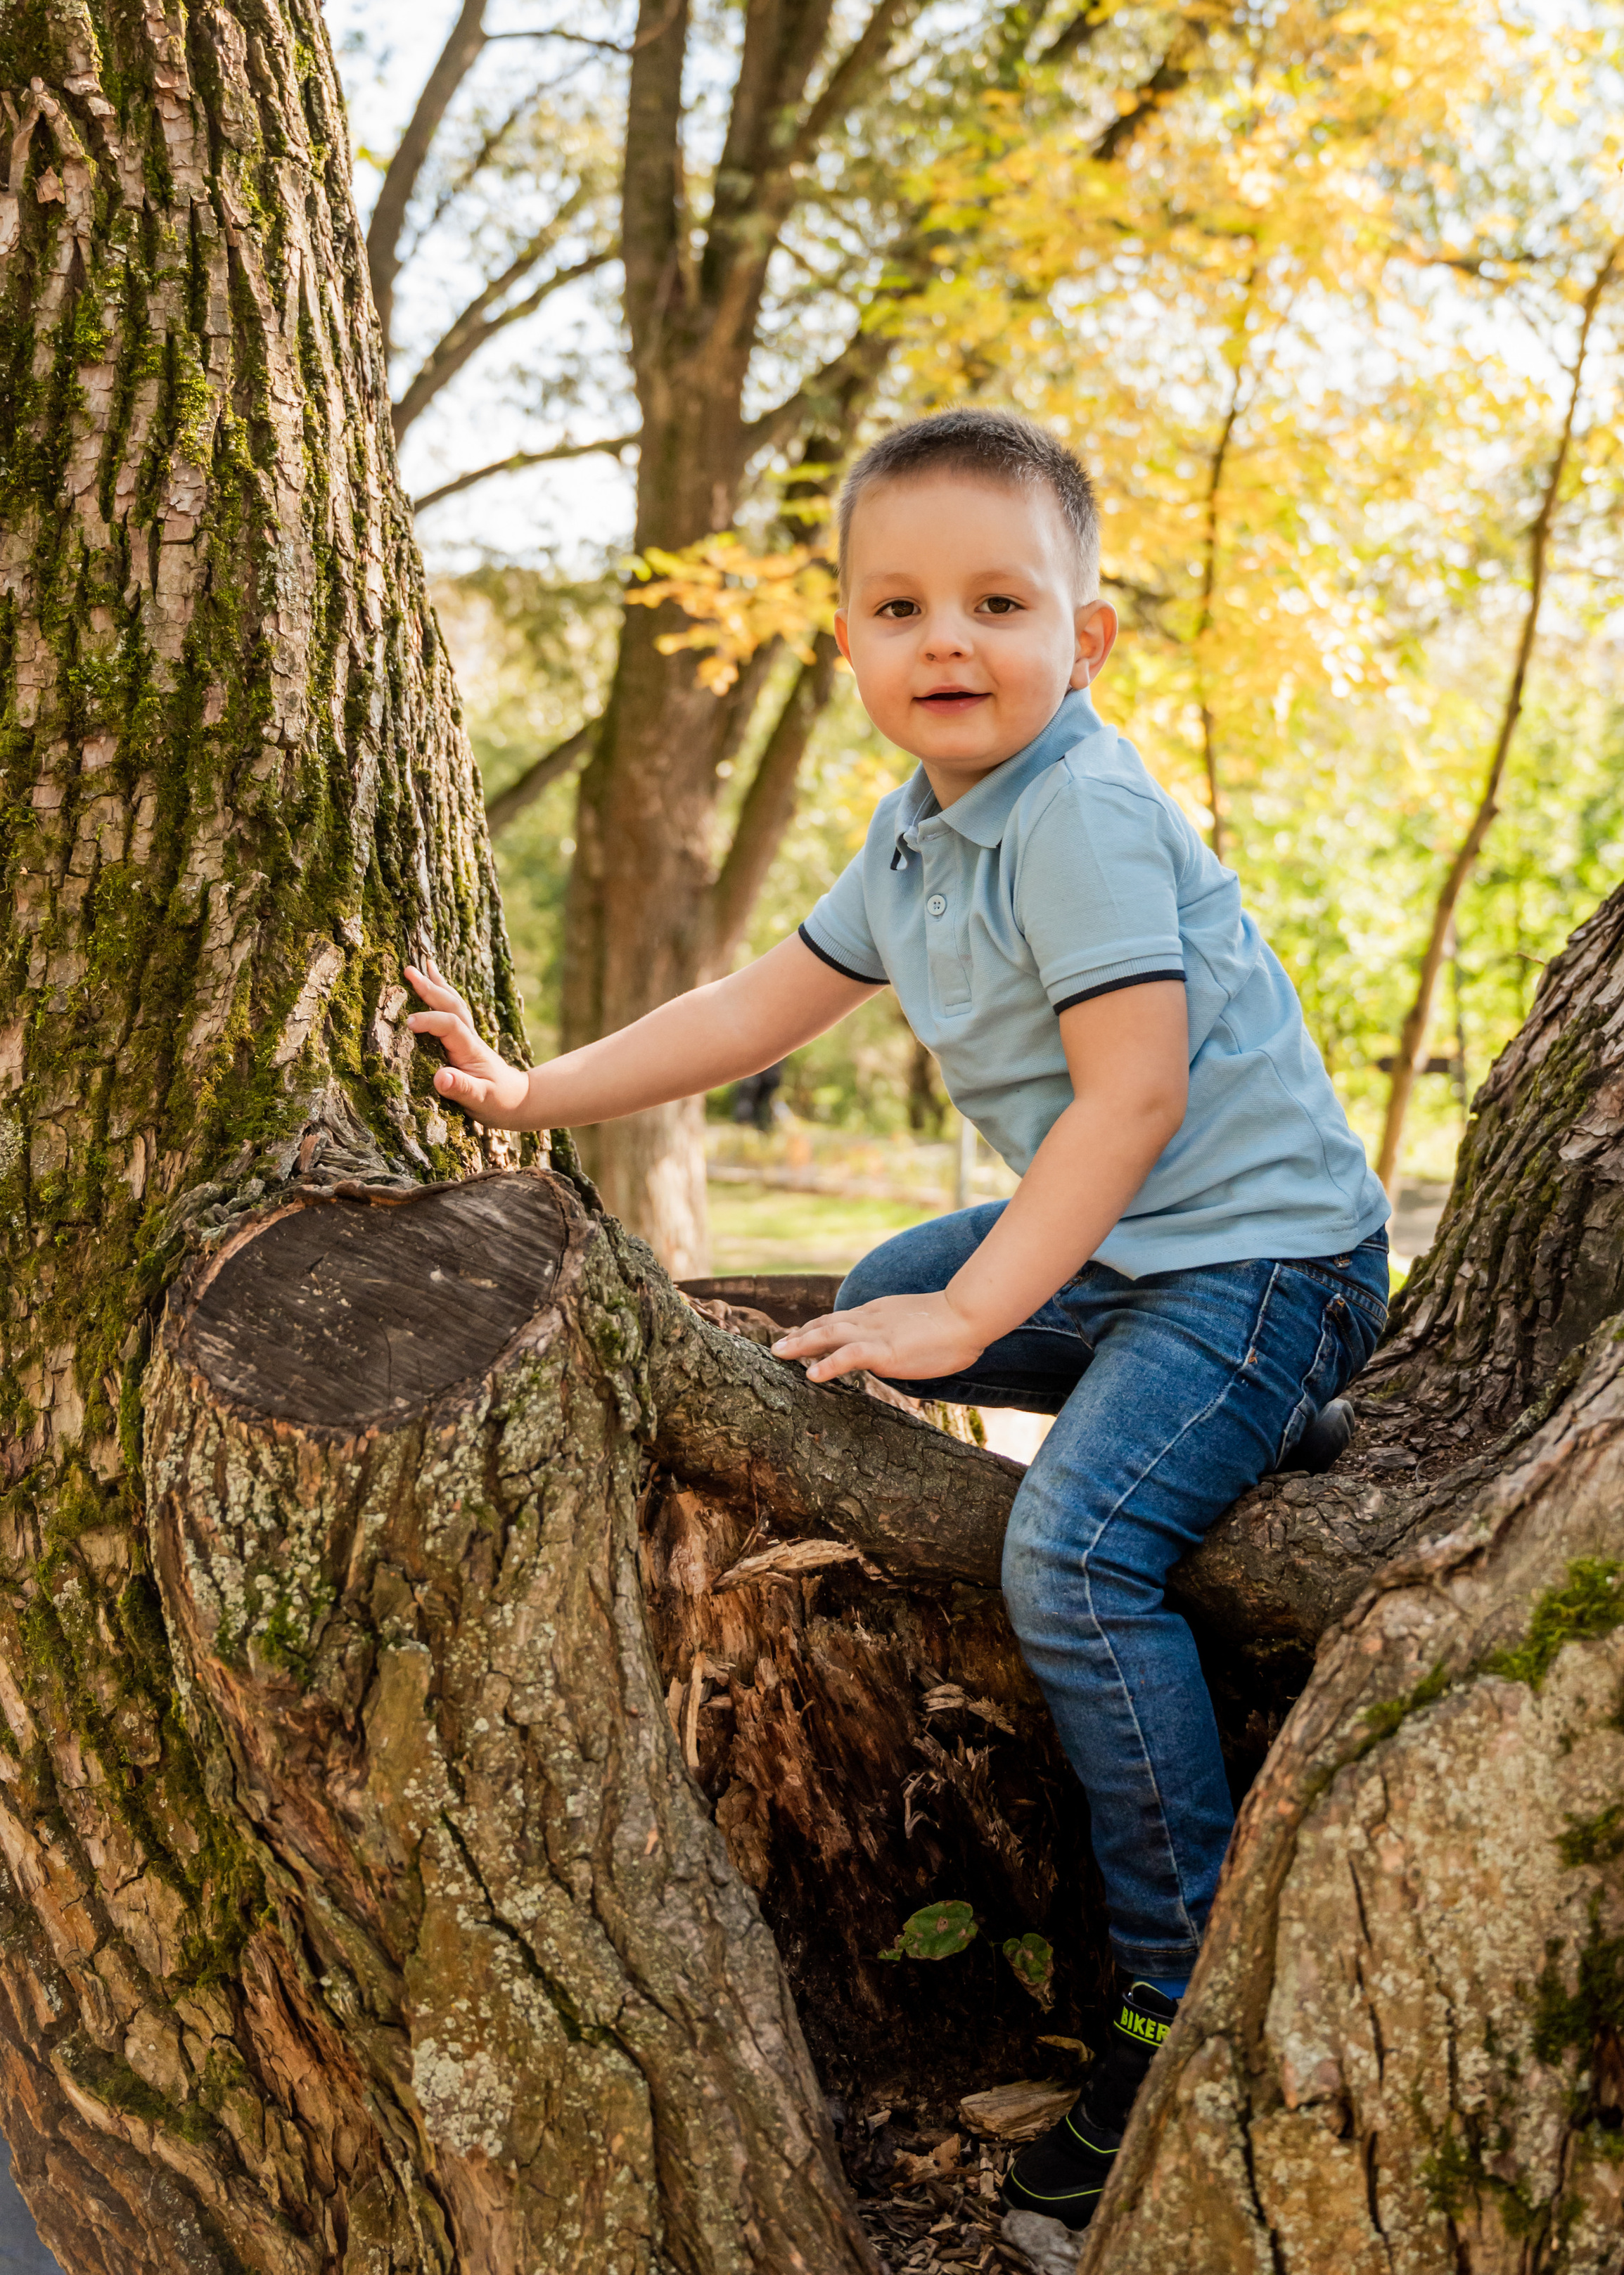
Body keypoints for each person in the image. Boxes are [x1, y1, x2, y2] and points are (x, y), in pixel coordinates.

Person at [405, 406, 1390, 2232]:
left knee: (1078, 1550)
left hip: (1259, 1257)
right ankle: (1235, 1416)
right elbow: (755, 1003)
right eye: (900, 604)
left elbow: (1134, 1099)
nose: (948, 638)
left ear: (1082, 640)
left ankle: (1173, 1987)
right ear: (850, 638)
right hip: (1132, 1260)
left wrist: (977, 1317)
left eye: (999, 600)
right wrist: (533, 1095)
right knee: (868, 1290)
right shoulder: (921, 838)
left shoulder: (1081, 811)